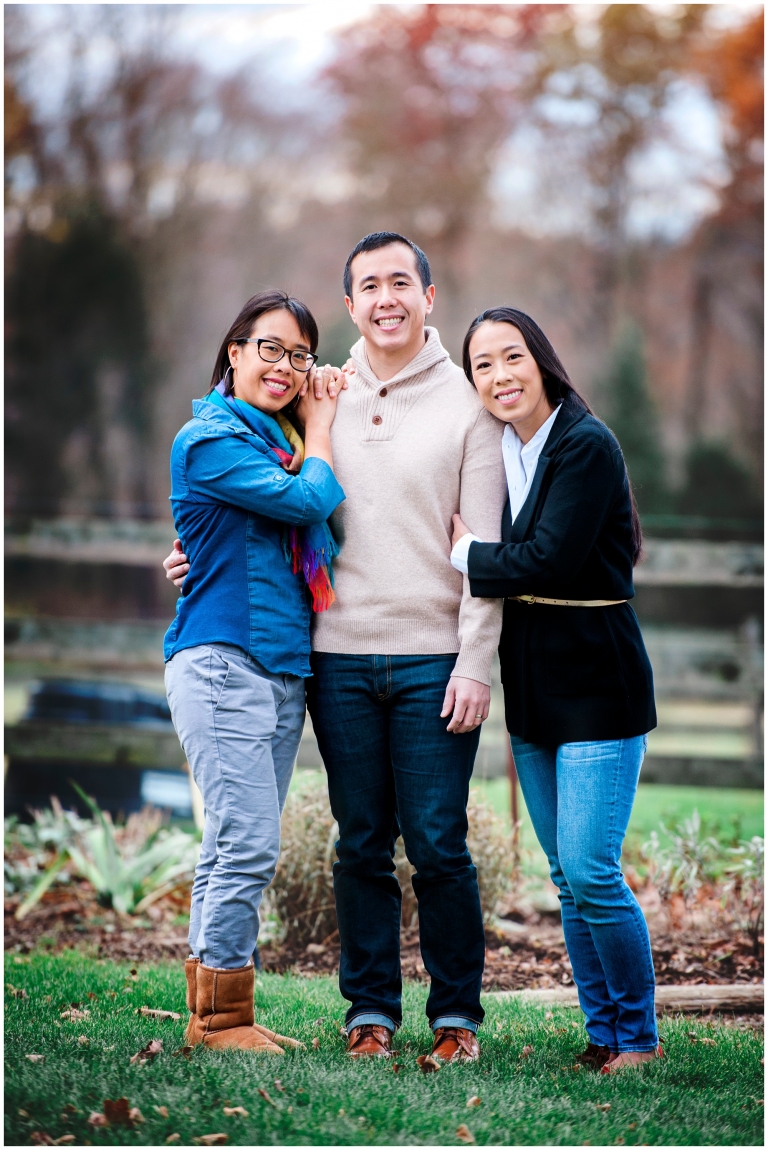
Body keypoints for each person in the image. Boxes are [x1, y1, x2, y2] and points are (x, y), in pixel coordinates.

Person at [166, 233, 507, 1062]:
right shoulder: (319, 395)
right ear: (352, 306)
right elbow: (256, 490)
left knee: (436, 842)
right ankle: (369, 1019)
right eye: (368, 286)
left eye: (401, 282)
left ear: (429, 295)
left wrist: (473, 662)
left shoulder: (470, 407)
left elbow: (486, 550)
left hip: (431, 657)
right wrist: (189, 556)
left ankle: (456, 1021)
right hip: (334, 660)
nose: (386, 297)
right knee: (358, 842)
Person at [451, 307, 659, 1072]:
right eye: (483, 366)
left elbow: (549, 559)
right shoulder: (495, 447)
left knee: (593, 868)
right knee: (567, 881)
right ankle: (601, 1033)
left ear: (541, 360)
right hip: (534, 687)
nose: (500, 376)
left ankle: (637, 1037)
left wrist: (467, 553)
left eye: (512, 357)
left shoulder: (585, 444)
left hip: (600, 683)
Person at [164, 289, 345, 1053]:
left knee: (230, 844)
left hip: (279, 671)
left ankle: (213, 1014)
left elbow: (309, 511)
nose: (284, 365)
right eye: (269, 347)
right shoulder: (209, 440)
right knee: (247, 844)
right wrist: (325, 425)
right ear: (234, 352)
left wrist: (312, 430)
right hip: (220, 665)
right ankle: (223, 1022)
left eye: (299, 354)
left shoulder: (281, 441)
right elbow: (310, 502)